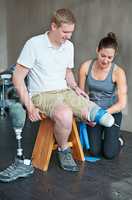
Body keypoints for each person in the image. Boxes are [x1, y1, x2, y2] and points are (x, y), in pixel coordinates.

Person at [0, 9, 115, 182]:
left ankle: (89, 114)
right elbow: (17, 78)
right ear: (53, 26)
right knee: (65, 114)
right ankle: (63, 149)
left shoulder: (69, 46)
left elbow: (67, 71)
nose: (69, 36)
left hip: (65, 91)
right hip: (42, 94)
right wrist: (30, 106)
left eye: (71, 32)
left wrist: (75, 87)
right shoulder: (34, 44)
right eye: (65, 32)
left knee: (100, 115)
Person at [79, 32, 127, 159]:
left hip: (111, 113)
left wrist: (104, 114)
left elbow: (122, 103)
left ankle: (117, 140)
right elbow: (80, 95)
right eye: (103, 55)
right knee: (94, 151)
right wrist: (86, 114)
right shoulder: (85, 67)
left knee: (109, 154)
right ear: (97, 50)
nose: (105, 60)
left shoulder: (118, 72)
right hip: (94, 113)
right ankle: (104, 138)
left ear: (114, 56)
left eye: (110, 58)